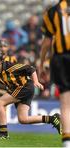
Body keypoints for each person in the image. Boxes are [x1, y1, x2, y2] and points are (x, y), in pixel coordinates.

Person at [0, 49, 61, 139]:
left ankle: (3, 133)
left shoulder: (10, 67)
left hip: (24, 87)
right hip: (20, 89)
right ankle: (52, 119)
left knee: (0, 102)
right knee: (23, 119)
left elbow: (31, 69)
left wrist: (36, 81)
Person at [40, 0, 70, 147]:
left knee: (65, 102)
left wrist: (41, 63)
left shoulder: (52, 12)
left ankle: (67, 144)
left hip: (61, 57)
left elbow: (47, 41)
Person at [0, 38, 17, 137]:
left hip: (8, 86)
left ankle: (0, 130)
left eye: (4, 46)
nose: (2, 48)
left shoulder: (13, 59)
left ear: (8, 47)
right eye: (0, 46)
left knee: (2, 108)